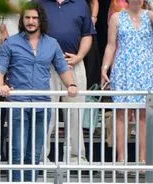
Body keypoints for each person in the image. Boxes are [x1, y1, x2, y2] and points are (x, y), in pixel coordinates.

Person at [0, 1, 78, 184]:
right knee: (17, 150)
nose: (31, 22)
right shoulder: (11, 43)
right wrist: (0, 86)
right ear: (22, 20)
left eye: (34, 18)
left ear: (41, 20)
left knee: (35, 151)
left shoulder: (51, 43)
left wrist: (72, 85)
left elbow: (62, 68)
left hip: (42, 104)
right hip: (18, 103)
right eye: (27, 18)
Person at [101, 0, 153, 163]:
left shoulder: (150, 15)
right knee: (122, 112)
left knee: (144, 114)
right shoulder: (117, 17)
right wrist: (104, 67)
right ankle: (121, 158)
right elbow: (110, 45)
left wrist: (150, 2)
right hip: (123, 68)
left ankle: (143, 158)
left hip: (145, 68)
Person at [39, 0, 95, 164]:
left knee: (76, 112)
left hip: (74, 64)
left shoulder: (81, 4)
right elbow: (31, 33)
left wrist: (79, 56)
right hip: (47, 65)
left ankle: (75, 158)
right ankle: (41, 157)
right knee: (47, 113)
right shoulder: (39, 3)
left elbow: (87, 35)